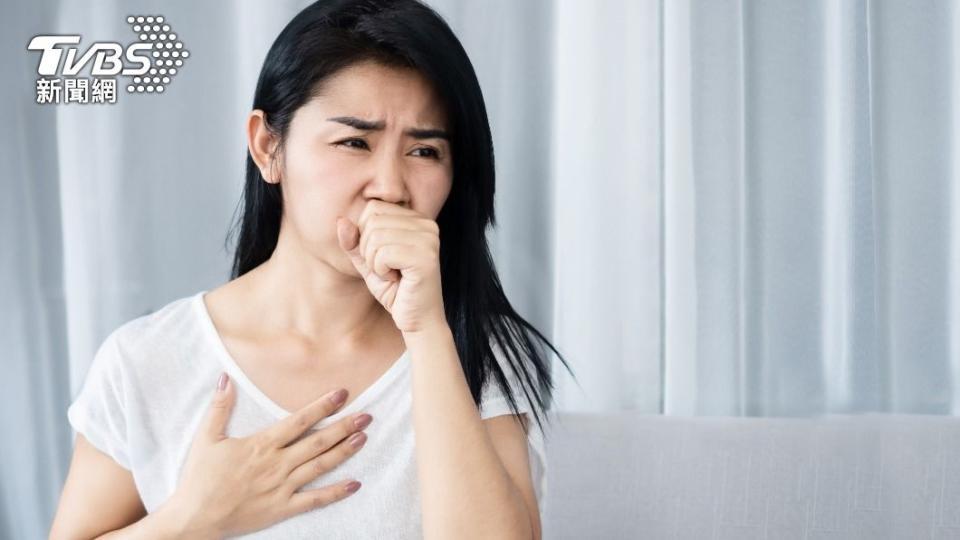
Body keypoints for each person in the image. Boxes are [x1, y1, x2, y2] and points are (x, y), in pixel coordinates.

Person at [50, 0, 572, 538]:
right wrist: (194, 517)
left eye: (424, 151)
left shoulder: (472, 347)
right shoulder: (147, 360)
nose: (391, 188)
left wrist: (426, 330)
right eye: (354, 142)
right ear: (267, 146)